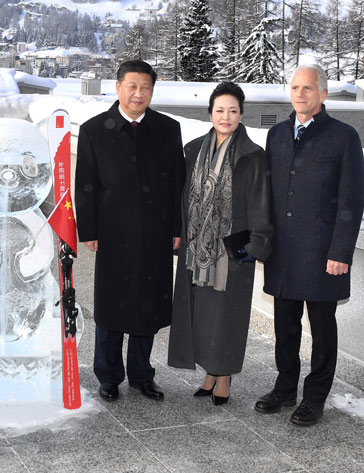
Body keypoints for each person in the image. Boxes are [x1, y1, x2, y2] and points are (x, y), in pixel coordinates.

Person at [255, 65, 364, 426]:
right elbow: (268, 194)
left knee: (322, 329)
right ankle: (285, 387)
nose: (300, 94)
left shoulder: (343, 137)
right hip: (283, 252)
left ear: (323, 94)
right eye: (295, 87)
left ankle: (314, 397)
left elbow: (351, 199)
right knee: (285, 325)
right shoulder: (276, 134)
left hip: (322, 254)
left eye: (308, 88)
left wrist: (340, 252)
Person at [74, 60, 184, 402]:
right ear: (118, 87)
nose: (138, 93)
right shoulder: (94, 130)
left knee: (146, 306)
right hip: (112, 234)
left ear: (153, 90)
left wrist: (177, 228)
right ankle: (108, 376)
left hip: (155, 234)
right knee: (111, 306)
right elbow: (86, 185)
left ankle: (141, 374)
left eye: (146, 87)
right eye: (132, 86)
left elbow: (178, 183)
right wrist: (89, 230)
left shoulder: (168, 128)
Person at [167, 82, 273, 405]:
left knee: (227, 315)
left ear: (241, 114)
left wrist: (257, 245)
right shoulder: (194, 149)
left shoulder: (252, 156)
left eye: (233, 111)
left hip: (231, 250)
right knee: (202, 314)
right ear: (210, 112)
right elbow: (183, 196)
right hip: (198, 248)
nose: (225, 117)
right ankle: (209, 373)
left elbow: (260, 203)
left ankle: (223, 376)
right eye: (219, 110)